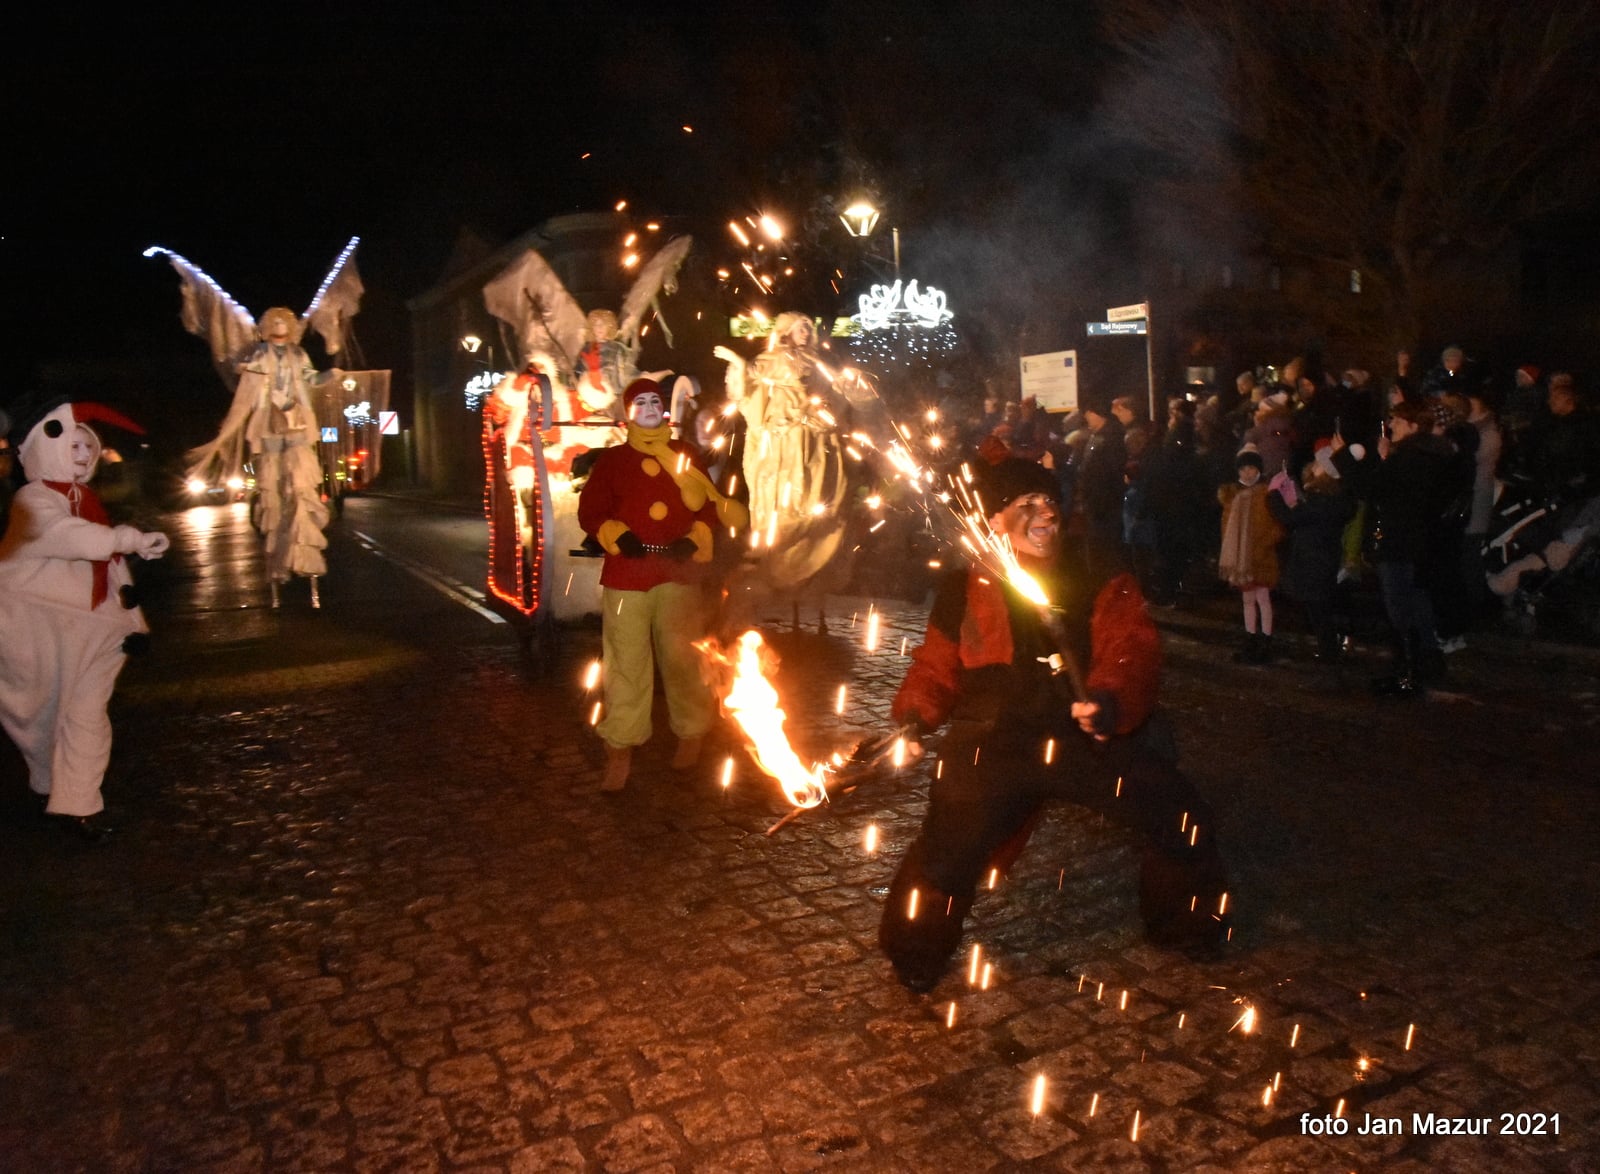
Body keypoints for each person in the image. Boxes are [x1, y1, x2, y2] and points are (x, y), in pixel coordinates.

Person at [876, 458, 1229, 992]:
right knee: (949, 847)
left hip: (1084, 736)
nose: (1046, 514)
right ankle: (914, 953)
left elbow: (1131, 646)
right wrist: (912, 719)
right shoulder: (964, 586)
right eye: (1026, 505)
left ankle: (1187, 928)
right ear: (994, 520)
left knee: (1180, 817)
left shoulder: (1093, 568)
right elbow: (935, 666)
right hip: (997, 741)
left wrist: (1108, 700)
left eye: (1049, 501)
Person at [0, 395, 170, 840]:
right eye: (71, 446)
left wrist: (132, 622)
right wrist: (127, 539)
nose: (82, 455)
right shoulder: (33, 500)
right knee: (42, 717)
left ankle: (77, 806)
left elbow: (108, 569)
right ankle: (48, 785)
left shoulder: (85, 500)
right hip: (37, 634)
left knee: (86, 716)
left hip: (91, 635)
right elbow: (70, 537)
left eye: (87, 446)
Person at [577, 379, 745, 791]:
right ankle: (620, 747)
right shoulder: (613, 461)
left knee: (683, 657)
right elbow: (591, 512)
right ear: (628, 413)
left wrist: (696, 538)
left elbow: (708, 507)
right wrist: (616, 534)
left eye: (655, 401)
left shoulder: (685, 454)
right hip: (627, 577)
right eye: (641, 402)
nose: (650, 407)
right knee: (626, 664)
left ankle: (692, 731)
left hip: (678, 574)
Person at [716, 312, 850, 588]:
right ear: (787, 331)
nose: (806, 332)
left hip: (811, 439)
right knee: (781, 497)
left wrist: (835, 403)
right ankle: (773, 555)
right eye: (801, 327)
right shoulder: (774, 358)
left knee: (811, 497)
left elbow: (835, 394)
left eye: (808, 327)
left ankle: (801, 556)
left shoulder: (817, 362)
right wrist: (738, 364)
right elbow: (747, 385)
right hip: (780, 440)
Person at [1331, 401, 1456, 696]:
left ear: (1414, 426)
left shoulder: (1410, 458)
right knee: (1417, 601)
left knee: (1399, 607)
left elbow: (1371, 488)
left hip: (1400, 542)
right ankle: (1426, 663)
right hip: (1420, 542)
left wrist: (1342, 456)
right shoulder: (1431, 456)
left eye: (1398, 421)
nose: (1391, 426)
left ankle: (1407, 673)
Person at [1266, 454, 1356, 663]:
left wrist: (1273, 495)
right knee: (1320, 610)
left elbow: (1291, 517)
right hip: (1323, 559)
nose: (1314, 465)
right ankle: (1330, 653)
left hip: (1314, 560)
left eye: (1319, 464)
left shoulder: (1321, 501)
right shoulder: (1331, 500)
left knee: (1319, 612)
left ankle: (1329, 658)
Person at [1217, 446, 1286, 664]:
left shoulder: (1267, 495)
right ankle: (1251, 638)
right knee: (1247, 599)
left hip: (1261, 555)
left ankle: (1265, 639)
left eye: (1251, 468)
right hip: (1242, 557)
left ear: (1258, 470)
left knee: (1263, 598)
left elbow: (1278, 526)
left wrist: (1264, 544)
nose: (1247, 473)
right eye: (1243, 469)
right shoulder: (1232, 497)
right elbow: (1226, 527)